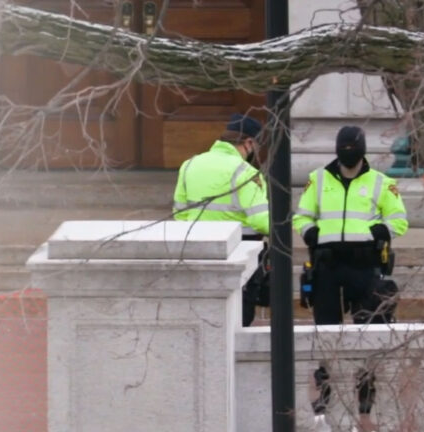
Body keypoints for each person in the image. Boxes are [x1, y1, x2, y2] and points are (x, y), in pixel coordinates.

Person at [293, 125, 408, 431]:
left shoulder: (382, 182)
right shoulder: (318, 179)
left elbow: (399, 220)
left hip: (364, 266)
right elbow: (301, 216)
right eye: (342, 148)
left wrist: (376, 232)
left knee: (367, 331)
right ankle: (325, 395)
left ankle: (365, 392)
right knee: (327, 331)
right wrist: (311, 233)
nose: (347, 153)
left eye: (352, 148)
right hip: (328, 267)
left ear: (362, 149)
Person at [173, 113, 270, 326]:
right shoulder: (246, 172)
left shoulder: (189, 165)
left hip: (197, 253)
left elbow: (180, 216)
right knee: (238, 319)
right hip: (240, 255)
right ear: (248, 142)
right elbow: (262, 221)